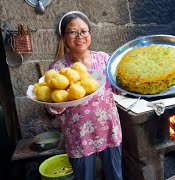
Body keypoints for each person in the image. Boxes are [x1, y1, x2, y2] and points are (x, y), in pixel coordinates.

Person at [47, 11, 123, 180]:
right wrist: (57, 105)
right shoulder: (58, 68)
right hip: (79, 135)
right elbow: (52, 107)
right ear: (64, 37)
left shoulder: (104, 59)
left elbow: (118, 89)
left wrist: (127, 80)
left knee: (115, 176)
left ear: (90, 33)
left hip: (108, 128)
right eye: (73, 32)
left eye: (84, 31)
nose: (79, 36)